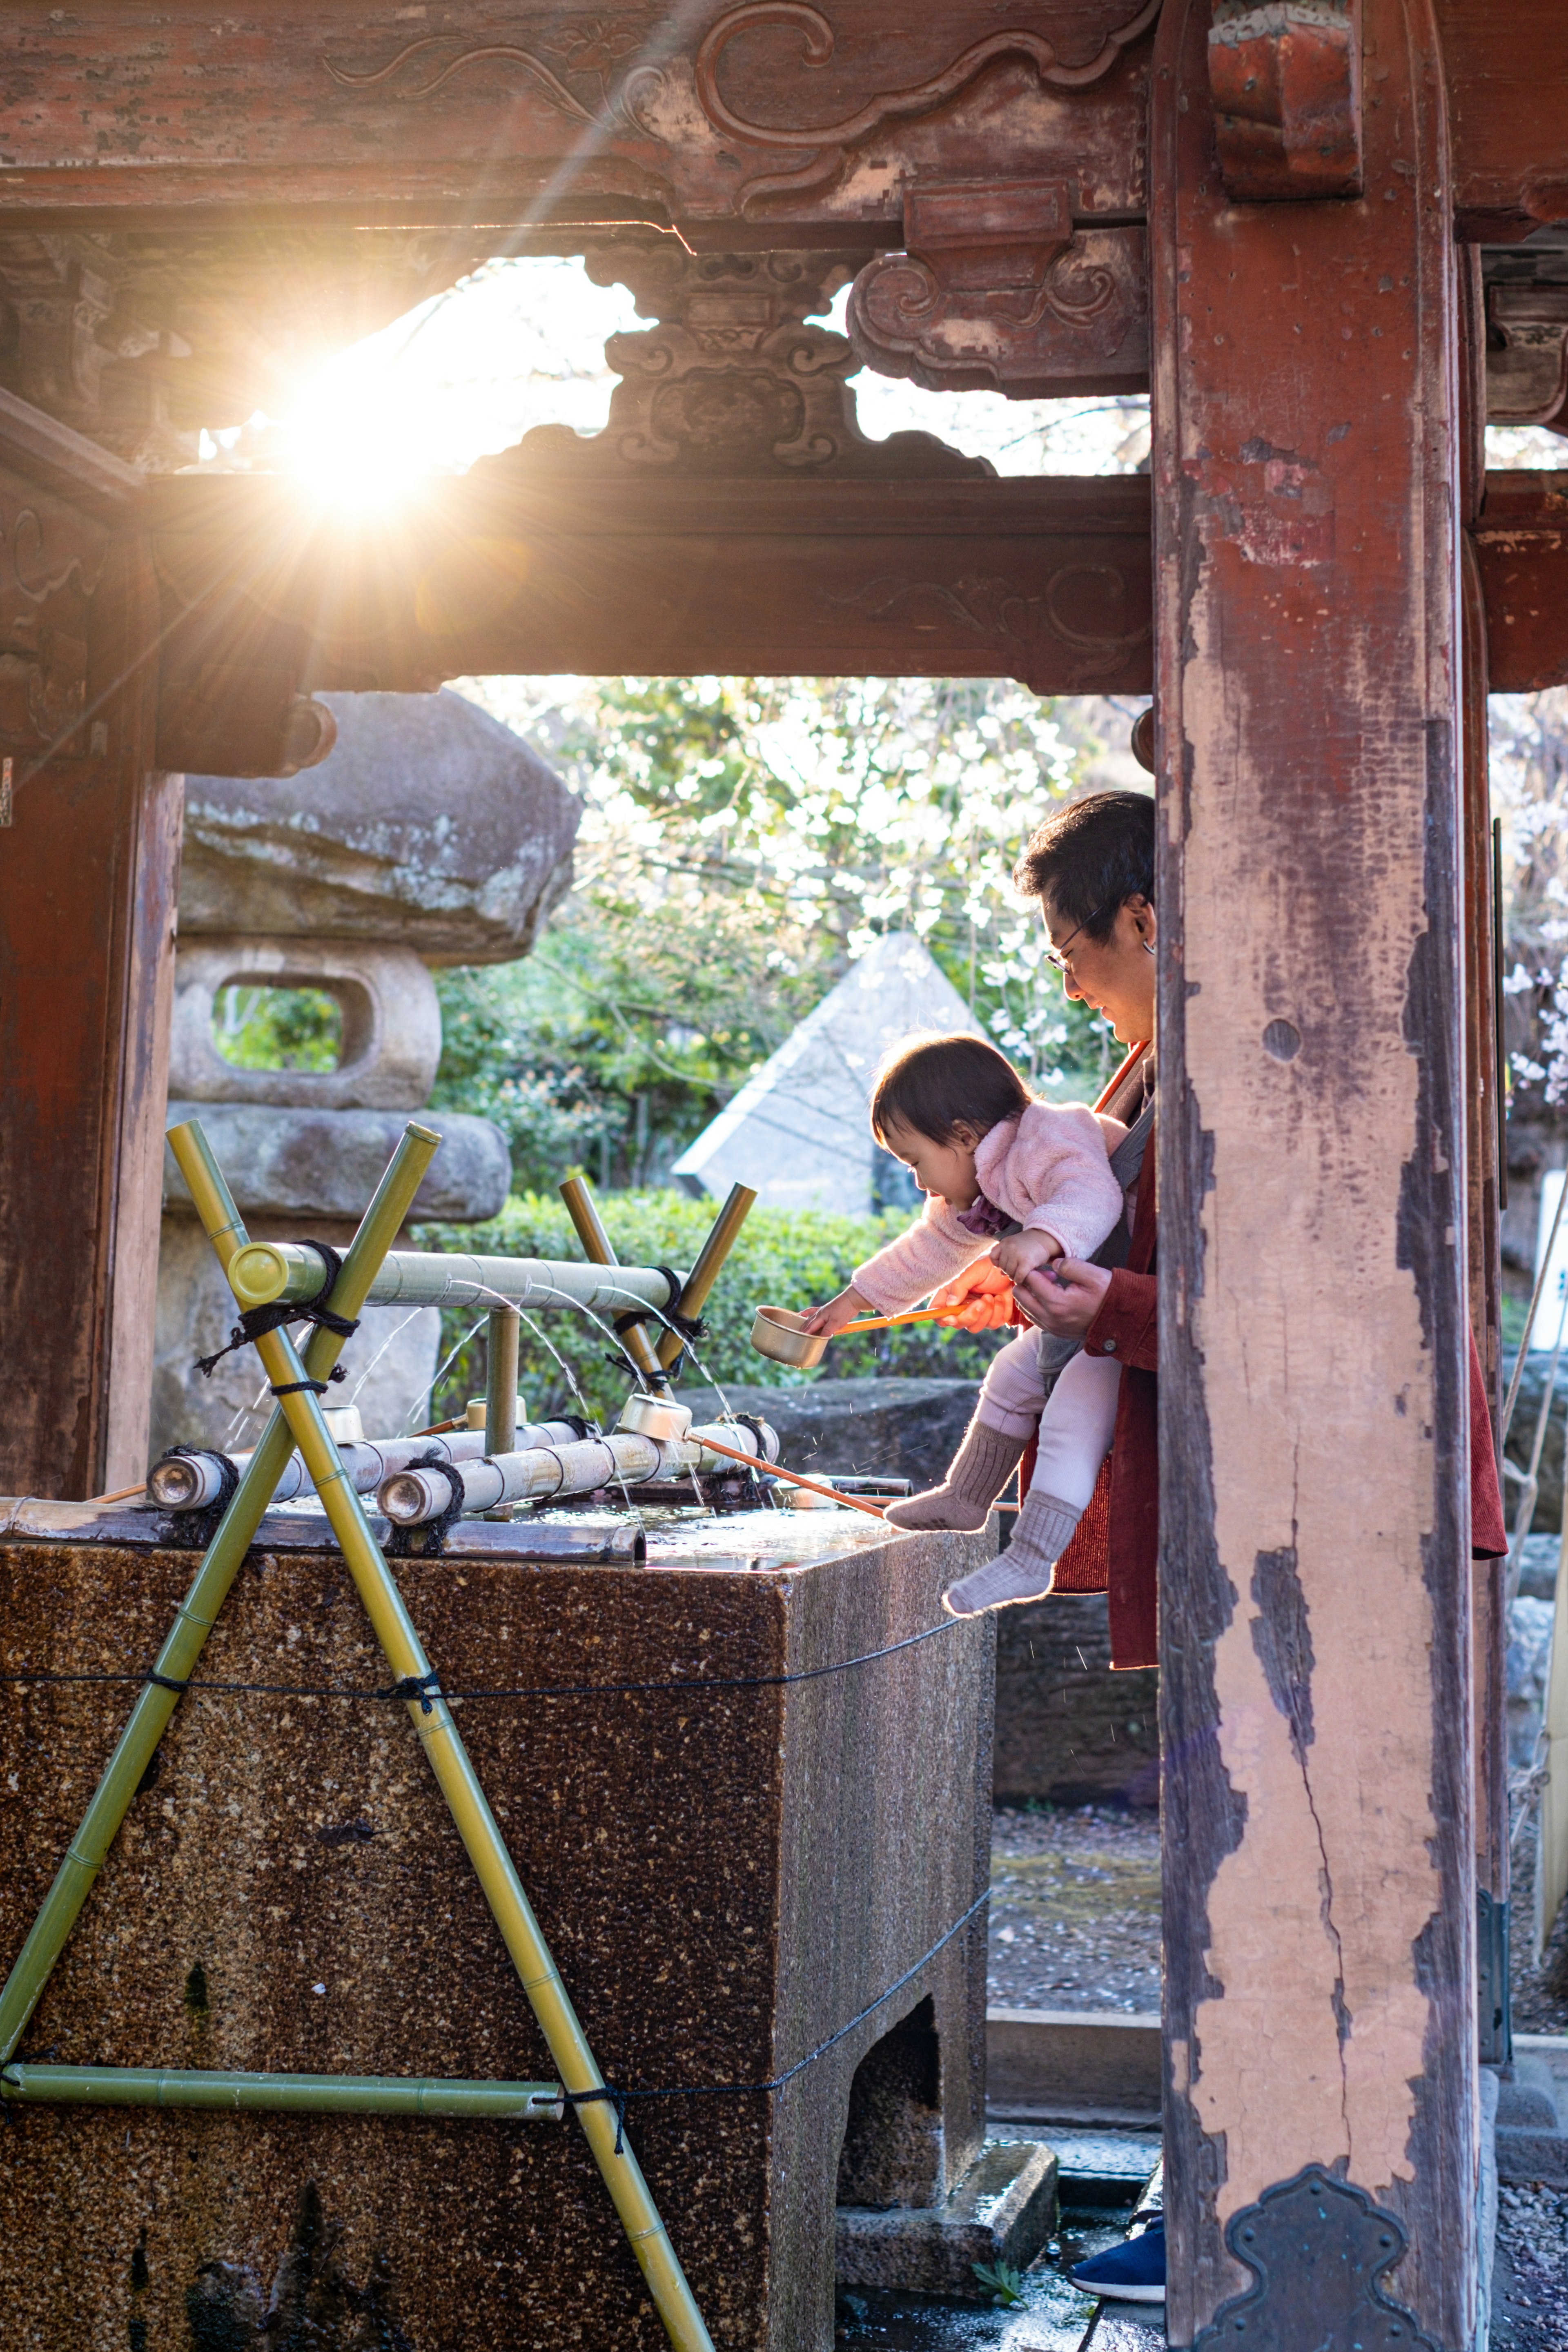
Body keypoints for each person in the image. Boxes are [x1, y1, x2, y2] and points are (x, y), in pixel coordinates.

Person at [804, 1031, 1131, 1615]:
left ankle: (1032, 1557)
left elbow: (1092, 1196)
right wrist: (852, 1302)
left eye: (915, 1161)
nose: (918, 1181)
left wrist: (1042, 1236)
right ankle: (965, 1497)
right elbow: (929, 1248)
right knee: (1008, 1375)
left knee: (1071, 1417)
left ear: (963, 1136)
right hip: (1081, 1321)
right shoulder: (980, 1184)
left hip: (1123, 1327)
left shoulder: (1047, 1135)